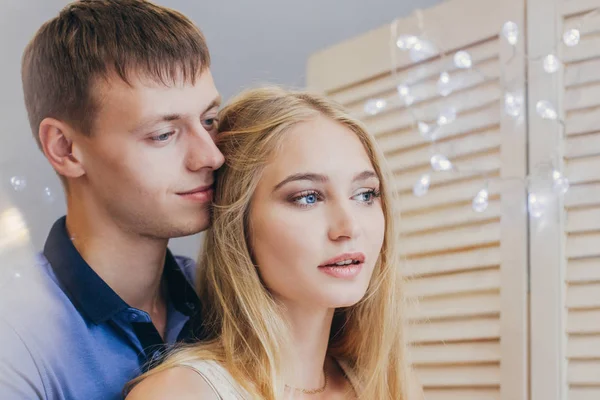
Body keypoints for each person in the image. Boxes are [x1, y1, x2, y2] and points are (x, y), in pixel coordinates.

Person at [126, 86, 421, 399]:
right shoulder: (180, 394)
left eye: (365, 194)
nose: (349, 227)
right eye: (307, 197)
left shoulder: (390, 387)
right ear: (238, 222)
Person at [0, 1, 223, 399]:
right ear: (66, 148)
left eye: (208, 121)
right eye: (162, 134)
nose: (210, 156)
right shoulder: (13, 337)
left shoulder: (226, 297)